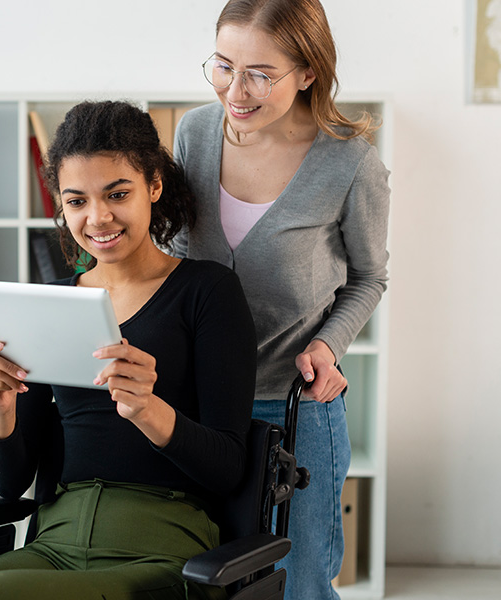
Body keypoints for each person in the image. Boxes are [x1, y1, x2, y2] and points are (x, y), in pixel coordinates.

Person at [0, 100, 257, 600]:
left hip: (160, 546)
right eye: (76, 201)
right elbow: (11, 484)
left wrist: (149, 410)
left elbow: (229, 469)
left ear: (154, 186)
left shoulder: (207, 291)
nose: (98, 218)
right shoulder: (50, 302)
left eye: (117, 194)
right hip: (55, 540)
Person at [171, 1, 391, 599]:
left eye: (260, 74)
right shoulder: (193, 133)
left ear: (308, 72)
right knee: (203, 577)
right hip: (198, 406)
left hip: (294, 409)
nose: (234, 92)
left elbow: (369, 277)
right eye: (223, 65)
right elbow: (171, 250)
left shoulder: (350, 164)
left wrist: (328, 343)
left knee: (299, 584)